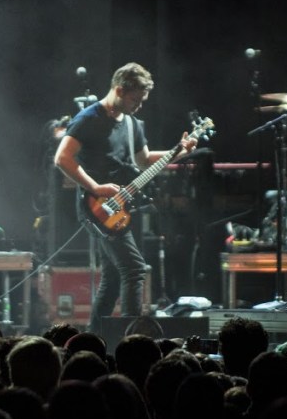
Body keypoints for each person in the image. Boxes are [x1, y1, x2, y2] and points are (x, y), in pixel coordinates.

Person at [55, 62, 197, 333]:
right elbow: (62, 158)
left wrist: (179, 151)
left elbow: (143, 161)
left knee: (111, 277)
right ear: (119, 90)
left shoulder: (132, 123)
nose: (139, 106)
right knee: (134, 270)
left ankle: (93, 339)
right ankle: (132, 342)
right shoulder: (88, 118)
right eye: (135, 100)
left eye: (142, 101)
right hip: (96, 206)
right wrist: (96, 187)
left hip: (121, 207)